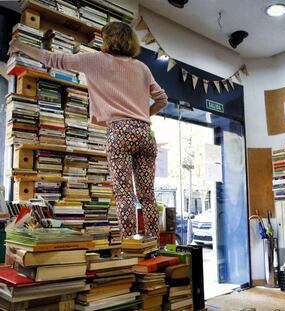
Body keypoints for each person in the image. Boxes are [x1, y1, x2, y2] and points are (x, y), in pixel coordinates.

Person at [8, 22, 168, 239]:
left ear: (107, 39)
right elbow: (162, 99)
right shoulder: (142, 68)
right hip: (145, 133)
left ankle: (131, 246)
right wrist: (141, 116)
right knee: (148, 196)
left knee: (124, 194)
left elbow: (54, 59)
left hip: (119, 132)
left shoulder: (96, 60)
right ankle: (152, 245)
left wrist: (19, 45)